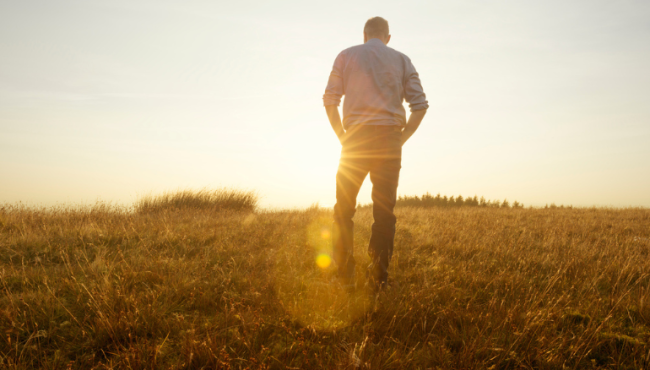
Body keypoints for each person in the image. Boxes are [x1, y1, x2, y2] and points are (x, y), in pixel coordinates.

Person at [323, 17, 428, 292]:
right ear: (388, 37)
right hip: (389, 140)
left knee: (343, 209)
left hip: (355, 140)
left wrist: (342, 137)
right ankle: (378, 279)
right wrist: (401, 139)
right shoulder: (402, 60)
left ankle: (345, 276)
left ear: (364, 34)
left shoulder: (346, 56)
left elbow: (330, 100)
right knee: (384, 212)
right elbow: (420, 105)